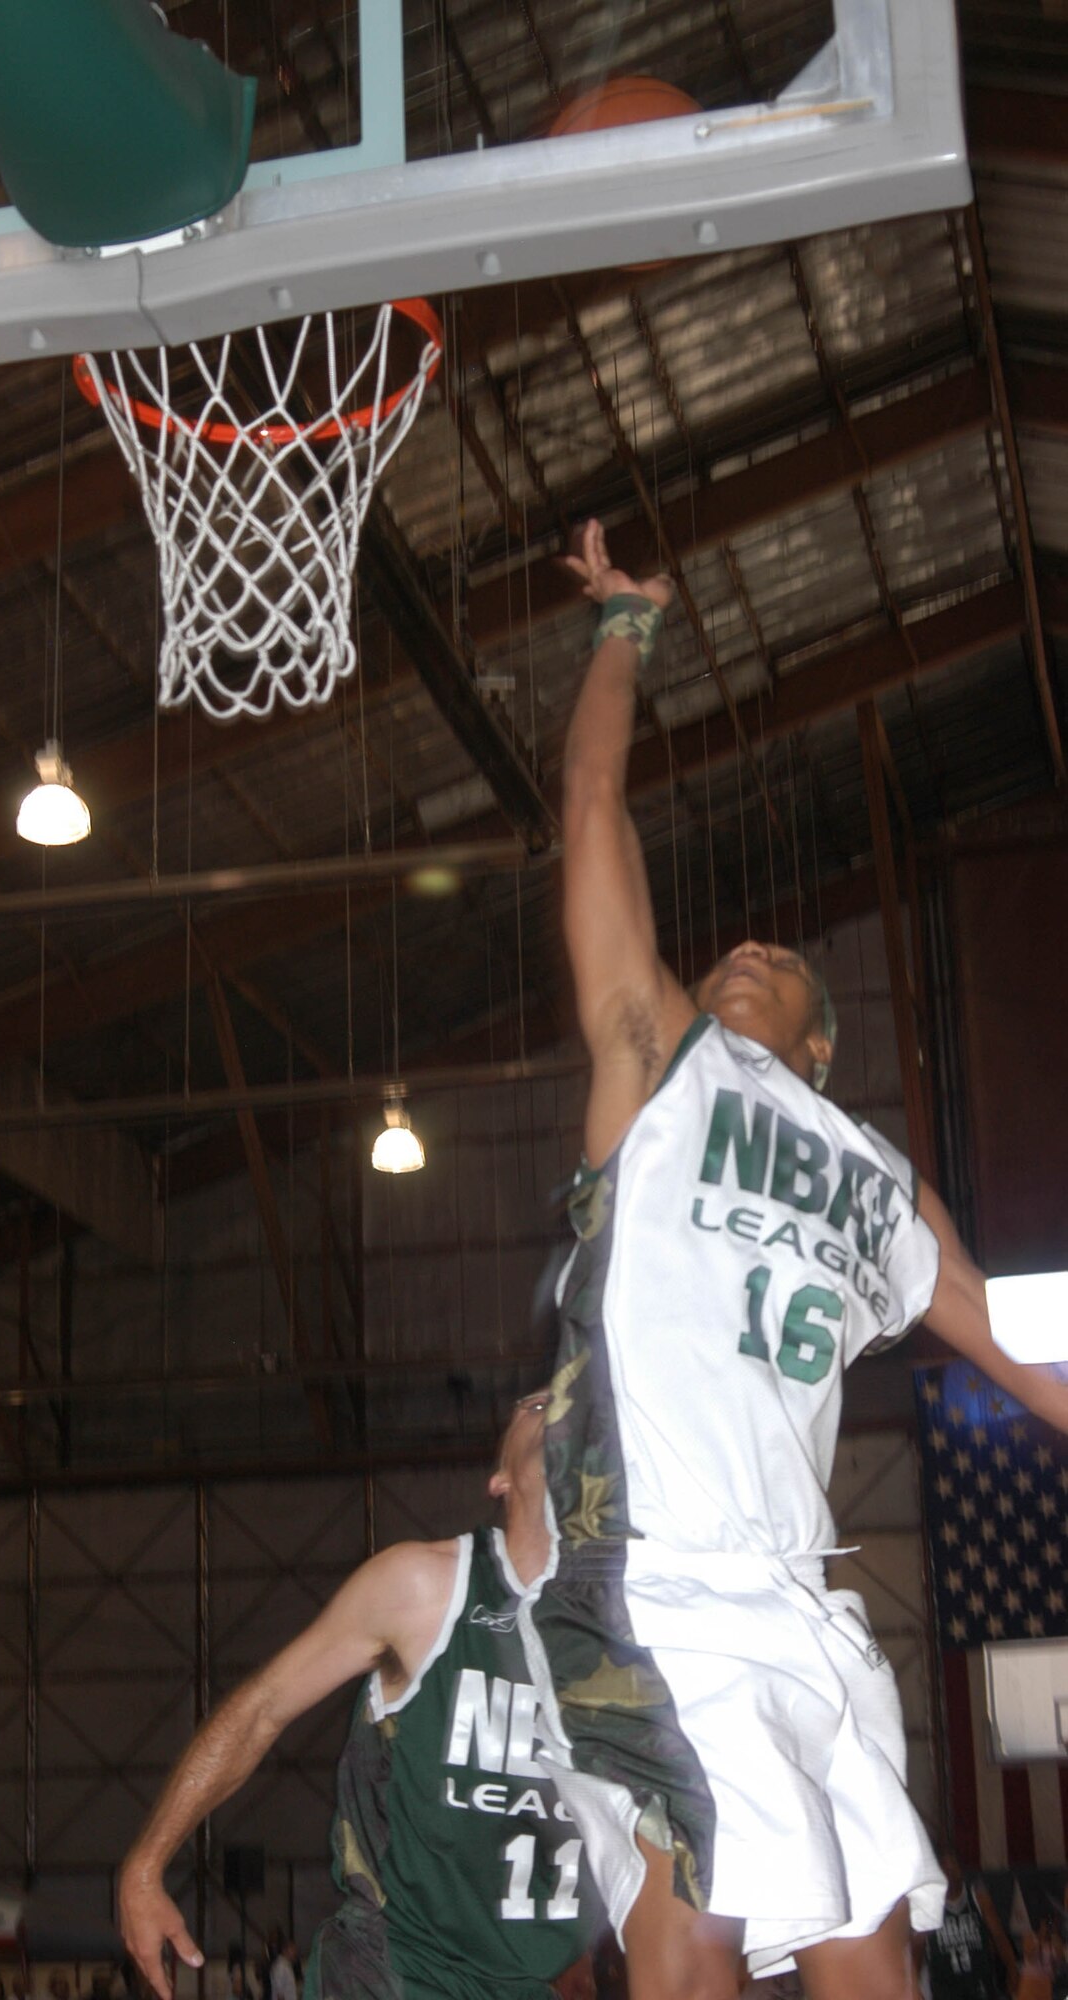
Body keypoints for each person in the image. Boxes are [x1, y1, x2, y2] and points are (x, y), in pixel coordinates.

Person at [517, 518, 1068, 2000]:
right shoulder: (657, 1059)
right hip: (657, 1578)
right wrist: (623, 631)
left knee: (866, 1943)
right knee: (689, 1937)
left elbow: (1005, 1347)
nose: (745, 946)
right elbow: (585, 809)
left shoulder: (883, 1183)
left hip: (804, 1603)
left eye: (778, 961)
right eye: (729, 952)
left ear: (820, 1043)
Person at [118, 1389, 598, 2000]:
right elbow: (261, 1708)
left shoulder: (641, 1643)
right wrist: (144, 1864)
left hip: (528, 1984)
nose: (559, 1403)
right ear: (499, 1478)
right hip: (395, 1968)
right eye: (535, 1403)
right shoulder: (428, 1587)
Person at [918, 1849, 1016, 1997]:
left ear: (961, 1871)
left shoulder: (978, 1898)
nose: (949, 1873)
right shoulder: (930, 1905)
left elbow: (999, 1936)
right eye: (944, 1869)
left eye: (952, 1867)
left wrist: (1012, 1967)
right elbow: (917, 1949)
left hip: (979, 1984)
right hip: (946, 1988)